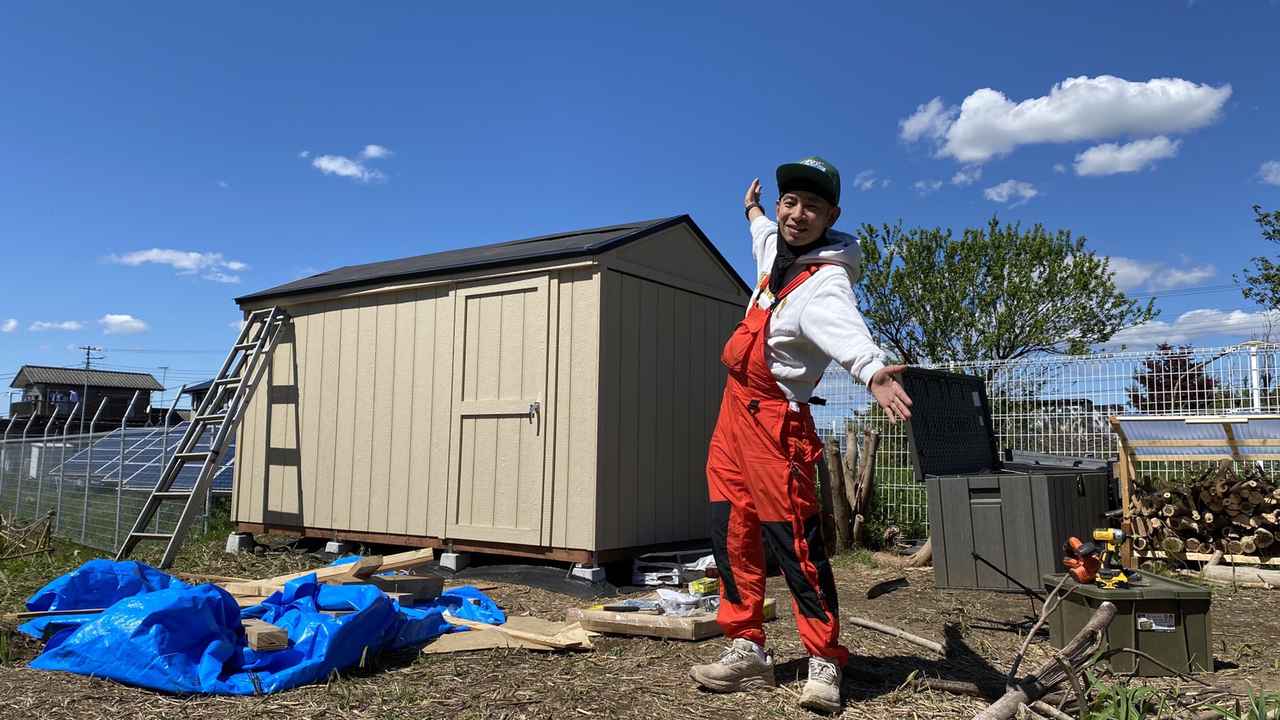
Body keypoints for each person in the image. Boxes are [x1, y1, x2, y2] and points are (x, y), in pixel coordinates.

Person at [690, 156, 912, 713]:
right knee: (730, 530)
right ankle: (746, 646)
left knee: (796, 543)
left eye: (811, 206)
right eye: (792, 202)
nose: (797, 214)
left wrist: (872, 371)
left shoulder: (828, 281)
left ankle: (823, 659)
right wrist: (753, 209)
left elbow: (848, 333)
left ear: (831, 215)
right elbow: (762, 231)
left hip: (776, 423)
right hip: (732, 412)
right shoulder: (775, 252)